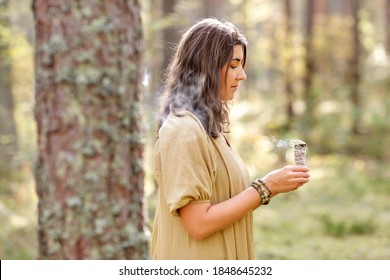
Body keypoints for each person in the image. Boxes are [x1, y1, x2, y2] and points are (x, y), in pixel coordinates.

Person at [150, 18, 310, 260]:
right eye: (234, 65)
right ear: (207, 67)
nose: (242, 75)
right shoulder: (184, 130)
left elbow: (226, 202)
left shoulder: (207, 128)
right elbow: (198, 224)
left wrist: (272, 186)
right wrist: (266, 187)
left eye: (242, 65)